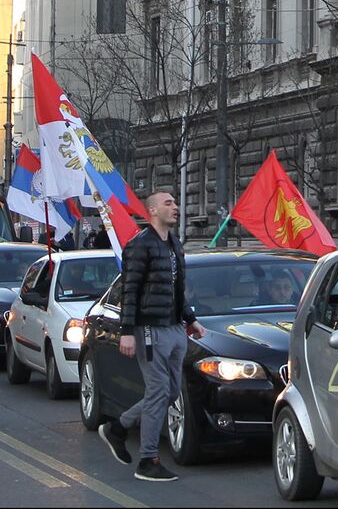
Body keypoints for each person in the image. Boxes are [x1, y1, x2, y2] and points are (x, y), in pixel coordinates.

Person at [99, 192, 206, 482]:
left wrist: (190, 318)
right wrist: (127, 332)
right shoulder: (139, 245)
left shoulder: (174, 245)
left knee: (170, 392)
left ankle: (118, 428)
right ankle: (148, 460)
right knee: (159, 390)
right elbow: (130, 291)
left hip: (174, 328)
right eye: (169, 203)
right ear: (152, 210)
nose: (176, 207)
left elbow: (176, 289)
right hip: (149, 329)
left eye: (176, 202)